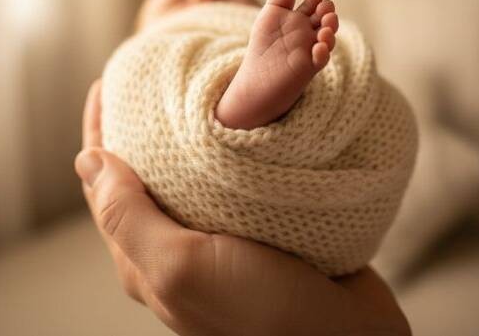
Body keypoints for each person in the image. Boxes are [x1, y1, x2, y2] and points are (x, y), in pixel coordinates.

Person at [76, 78, 412, 336]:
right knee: (205, 104)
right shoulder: (157, 55)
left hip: (310, 195)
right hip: (222, 194)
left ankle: (250, 104)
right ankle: (242, 107)